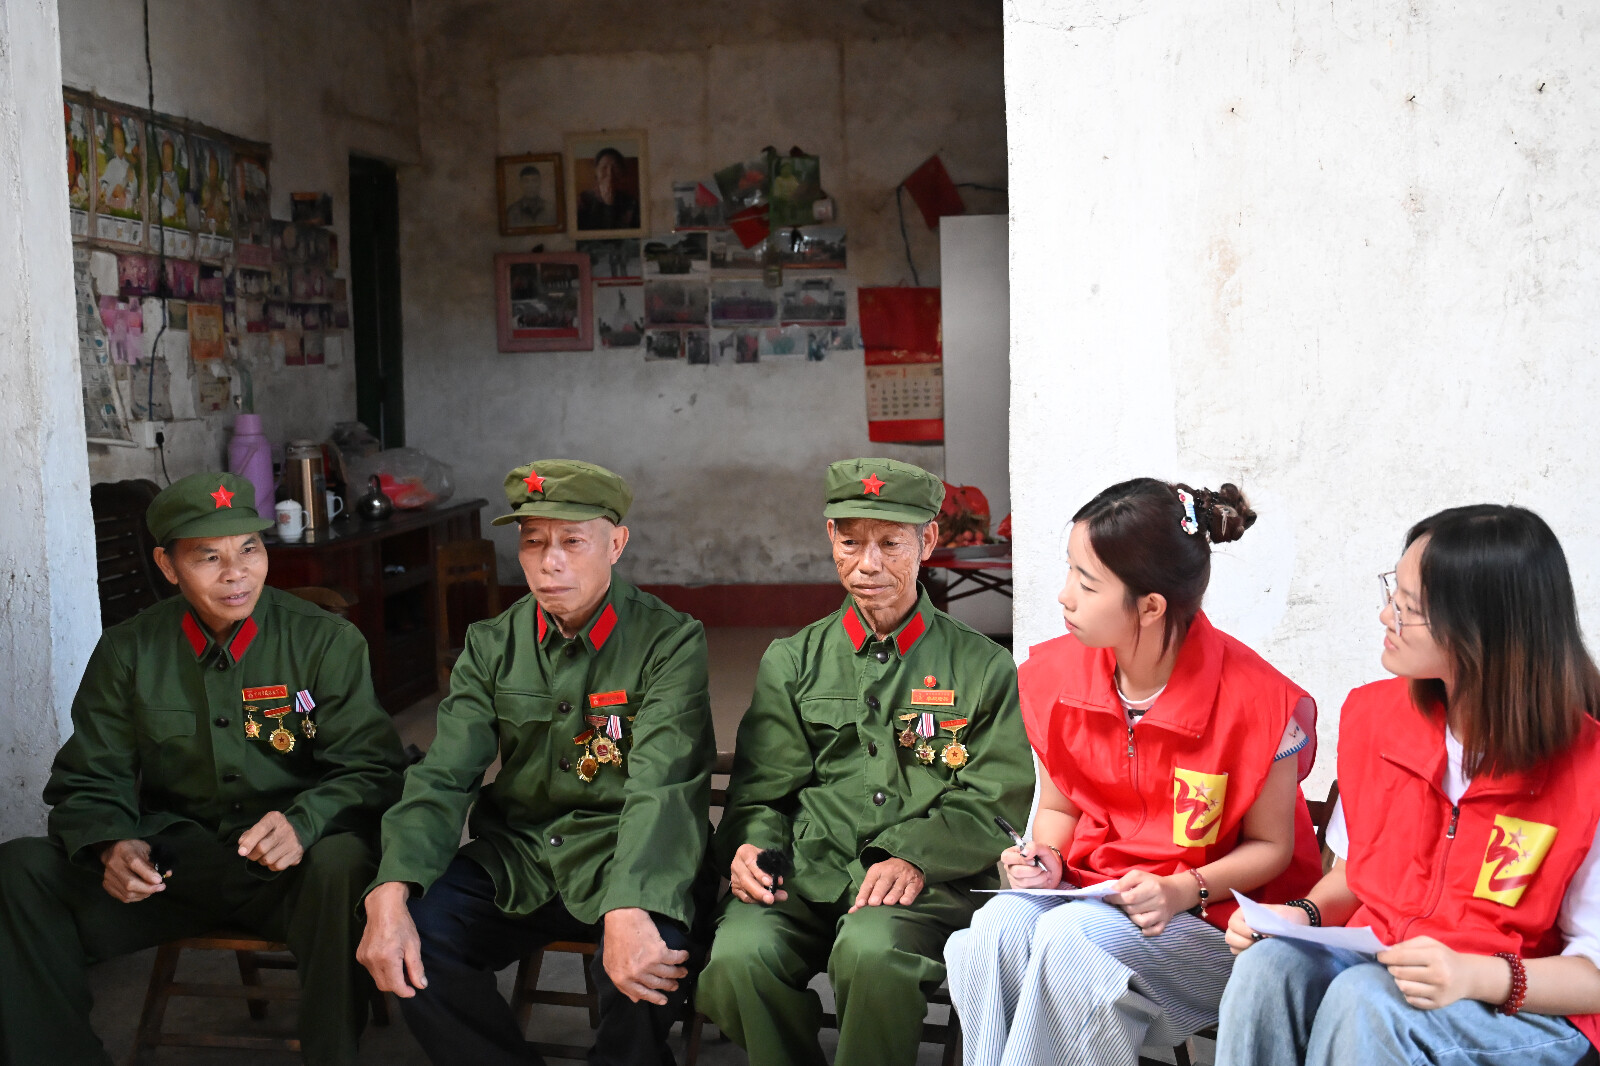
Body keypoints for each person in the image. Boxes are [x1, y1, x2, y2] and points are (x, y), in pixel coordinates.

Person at [0, 471, 407, 1066]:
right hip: (173, 871)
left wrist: (304, 822)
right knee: (21, 869)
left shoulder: (324, 641)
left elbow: (373, 768)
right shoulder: (128, 650)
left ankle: (332, 1055)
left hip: (290, 875)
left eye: (250, 549)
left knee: (344, 861)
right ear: (168, 567)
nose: (236, 573)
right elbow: (90, 777)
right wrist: (112, 843)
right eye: (208, 557)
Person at [945, 478, 1324, 1066]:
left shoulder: (1261, 702)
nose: (1064, 596)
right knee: (998, 924)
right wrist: (1045, 858)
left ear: (1150, 606)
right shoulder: (1056, 679)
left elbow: (1273, 848)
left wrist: (1182, 889)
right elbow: (1060, 807)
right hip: (1094, 899)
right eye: (1069, 571)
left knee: (1070, 939)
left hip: (1217, 927)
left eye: (1087, 583)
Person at [357, 459, 715, 1066]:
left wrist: (631, 904)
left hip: (630, 853)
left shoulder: (669, 641)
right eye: (533, 542)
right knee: (419, 938)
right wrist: (390, 888)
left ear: (616, 544)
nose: (550, 563)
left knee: (648, 963)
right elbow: (444, 775)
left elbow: (663, 786)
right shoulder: (492, 644)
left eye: (572, 542)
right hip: (521, 854)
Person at [1215, 504, 1600, 1066]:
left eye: (1408, 608)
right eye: (1393, 591)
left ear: (1481, 631)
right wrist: (1302, 914)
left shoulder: (1588, 770)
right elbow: (1354, 876)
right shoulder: (1375, 719)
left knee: (1366, 1000)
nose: (1385, 615)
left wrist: (1475, 975)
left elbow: (1593, 975)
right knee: (1268, 967)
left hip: (1522, 1006)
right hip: (1386, 969)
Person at [697, 458, 1033, 1066]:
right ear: (831, 538)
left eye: (890, 544)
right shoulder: (793, 660)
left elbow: (996, 801)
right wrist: (752, 849)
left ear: (927, 542)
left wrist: (912, 854)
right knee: (737, 960)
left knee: (872, 954)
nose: (868, 564)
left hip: (924, 883)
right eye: (850, 542)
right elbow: (760, 793)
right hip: (803, 869)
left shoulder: (983, 667)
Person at [577, 147, 640, 231]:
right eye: (604, 167)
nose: (610, 173)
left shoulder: (631, 203)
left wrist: (609, 205)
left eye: (615, 167)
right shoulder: (583, 200)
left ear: (621, 172)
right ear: (596, 171)